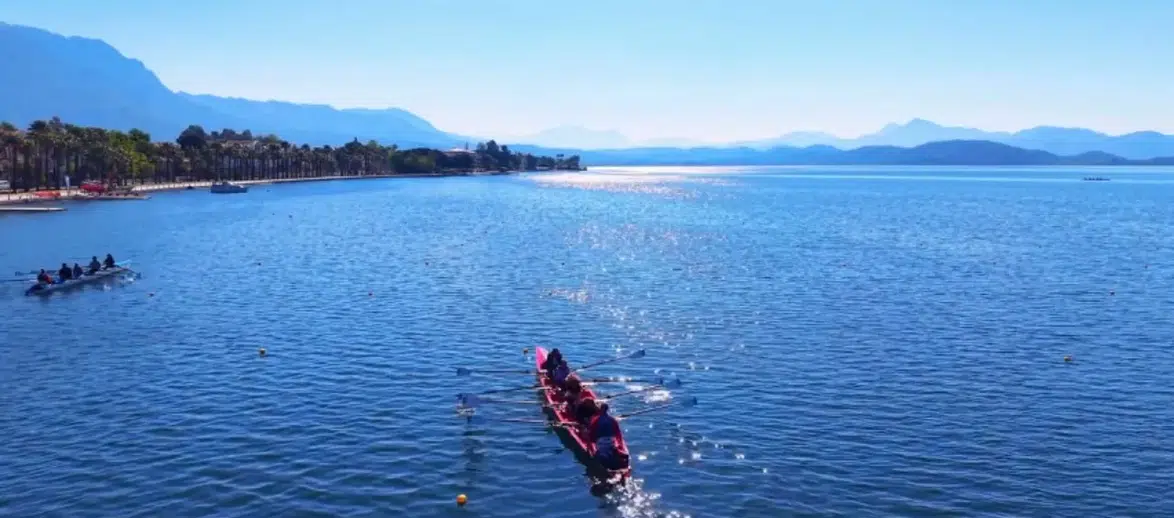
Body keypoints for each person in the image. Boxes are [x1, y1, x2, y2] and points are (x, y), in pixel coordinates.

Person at [587, 403, 629, 470]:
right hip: (611, 441)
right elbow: (618, 433)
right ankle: (616, 456)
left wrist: (589, 448)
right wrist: (620, 445)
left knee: (602, 455)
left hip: (600, 443)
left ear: (600, 410)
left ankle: (606, 463)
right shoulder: (612, 420)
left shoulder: (595, 420)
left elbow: (591, 434)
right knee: (610, 451)